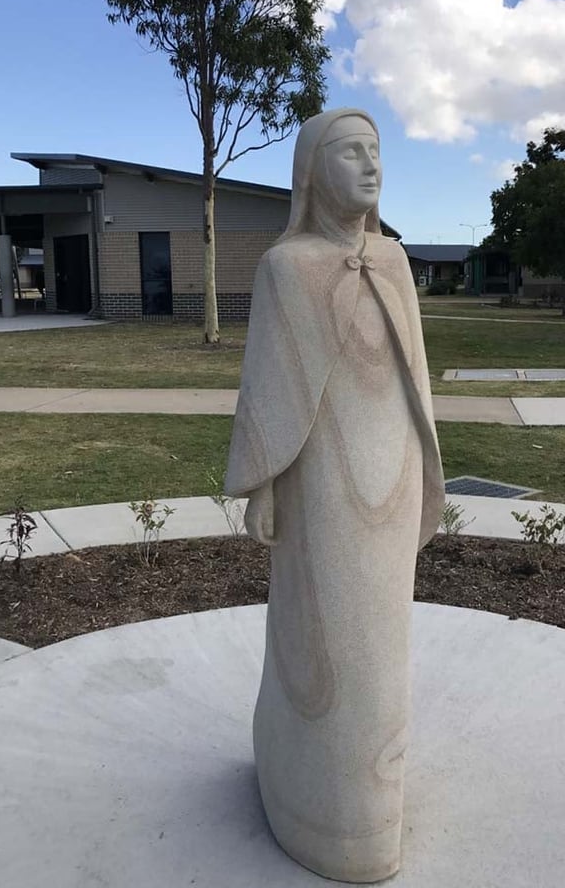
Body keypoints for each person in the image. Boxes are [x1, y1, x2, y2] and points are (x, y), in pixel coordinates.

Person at [224, 108, 445, 883]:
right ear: (313, 170)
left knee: (382, 651)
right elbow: (270, 389)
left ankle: (369, 815)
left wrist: (423, 469)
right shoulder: (288, 269)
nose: (371, 166)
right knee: (322, 634)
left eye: (377, 152)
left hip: (392, 477)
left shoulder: (394, 262)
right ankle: (313, 801)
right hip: (319, 486)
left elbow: (414, 383)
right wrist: (265, 489)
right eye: (352, 152)